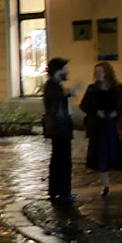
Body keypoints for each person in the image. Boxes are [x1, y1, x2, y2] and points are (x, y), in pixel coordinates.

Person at [80, 61, 122, 198]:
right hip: (98, 127)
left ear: (107, 73)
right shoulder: (92, 89)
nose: (98, 74)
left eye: (100, 71)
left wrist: (116, 113)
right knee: (101, 157)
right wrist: (95, 112)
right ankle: (106, 187)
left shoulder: (119, 88)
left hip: (114, 126)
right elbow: (84, 106)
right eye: (96, 72)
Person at [43, 57, 75, 202]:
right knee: (62, 159)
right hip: (59, 128)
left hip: (61, 128)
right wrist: (68, 94)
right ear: (57, 71)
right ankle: (62, 192)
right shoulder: (52, 86)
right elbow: (54, 103)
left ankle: (58, 190)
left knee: (60, 158)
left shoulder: (55, 86)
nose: (67, 72)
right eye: (64, 69)